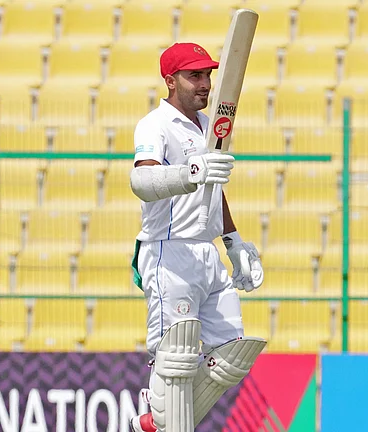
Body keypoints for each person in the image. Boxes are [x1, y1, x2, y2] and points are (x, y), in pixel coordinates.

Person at [128, 42, 266, 432]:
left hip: (207, 254)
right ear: (171, 81)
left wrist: (233, 242)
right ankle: (161, 418)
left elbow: (212, 191)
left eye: (208, 75)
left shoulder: (207, 126)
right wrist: (190, 171)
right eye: (195, 76)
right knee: (176, 360)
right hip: (168, 253)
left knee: (232, 354)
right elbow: (142, 180)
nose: (205, 84)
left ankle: (154, 422)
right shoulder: (155, 124)